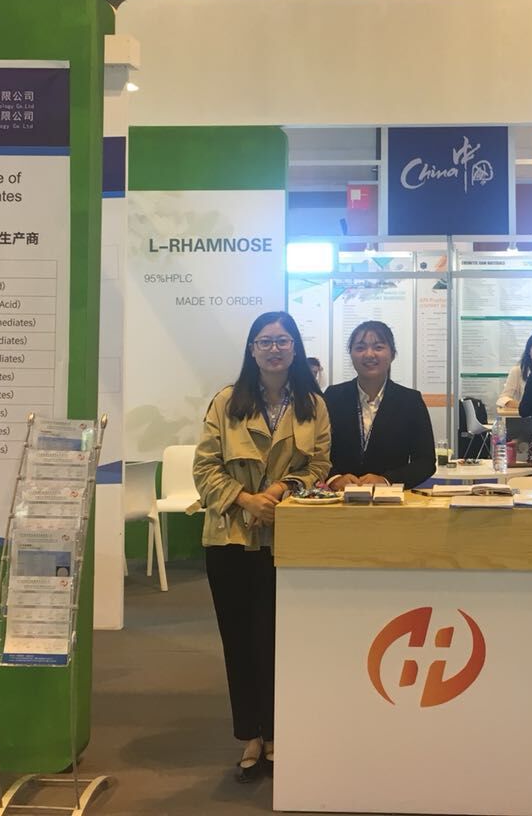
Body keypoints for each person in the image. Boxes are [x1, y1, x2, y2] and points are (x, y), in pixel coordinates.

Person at [192, 311, 331, 782]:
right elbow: (205, 468)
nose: (274, 349)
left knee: (276, 640)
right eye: (265, 341)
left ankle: (277, 732)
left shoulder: (313, 404)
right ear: (252, 350)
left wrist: (279, 491)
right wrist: (247, 499)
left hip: (285, 536)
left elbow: (319, 465)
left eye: (283, 341)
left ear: (294, 349)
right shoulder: (227, 401)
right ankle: (250, 734)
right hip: (229, 537)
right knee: (238, 639)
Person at [322, 320, 436, 490]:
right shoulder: (333, 397)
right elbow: (316, 452)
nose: (369, 354)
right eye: (360, 348)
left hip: (390, 500)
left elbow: (425, 462)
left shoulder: (410, 401)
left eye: (378, 347)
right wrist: (334, 478)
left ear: (392, 354)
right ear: (351, 354)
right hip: (339, 498)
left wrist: (387, 480)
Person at [497, 331, 532, 414]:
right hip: (523, 417)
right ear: (529, 351)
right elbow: (503, 399)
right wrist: (524, 406)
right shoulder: (517, 371)